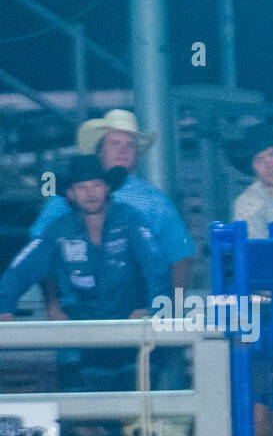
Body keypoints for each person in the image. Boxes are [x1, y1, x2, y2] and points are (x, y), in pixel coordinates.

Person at [0, 156, 170, 393]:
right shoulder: (58, 231)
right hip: (87, 337)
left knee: (138, 409)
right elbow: (20, 269)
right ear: (71, 193)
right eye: (82, 187)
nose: (91, 193)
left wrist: (151, 309)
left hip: (133, 331)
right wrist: (4, 308)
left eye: (97, 185)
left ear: (107, 187)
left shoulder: (130, 218)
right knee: (87, 411)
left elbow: (157, 267)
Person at [29, 109, 194, 290]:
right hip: (78, 306)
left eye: (130, 145)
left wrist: (173, 310)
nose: (123, 150)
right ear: (99, 150)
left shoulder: (155, 200)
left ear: (137, 154)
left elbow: (180, 257)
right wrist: (53, 306)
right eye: (115, 143)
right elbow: (40, 248)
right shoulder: (67, 195)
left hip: (141, 308)